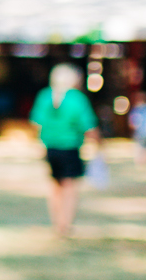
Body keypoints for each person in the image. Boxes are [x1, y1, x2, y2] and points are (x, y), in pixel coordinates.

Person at [30, 62, 100, 237]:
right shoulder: (77, 98)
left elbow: (34, 123)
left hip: (50, 148)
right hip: (70, 148)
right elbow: (89, 127)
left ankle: (56, 223)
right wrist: (99, 144)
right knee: (69, 187)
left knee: (55, 186)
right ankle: (65, 224)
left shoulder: (44, 96)